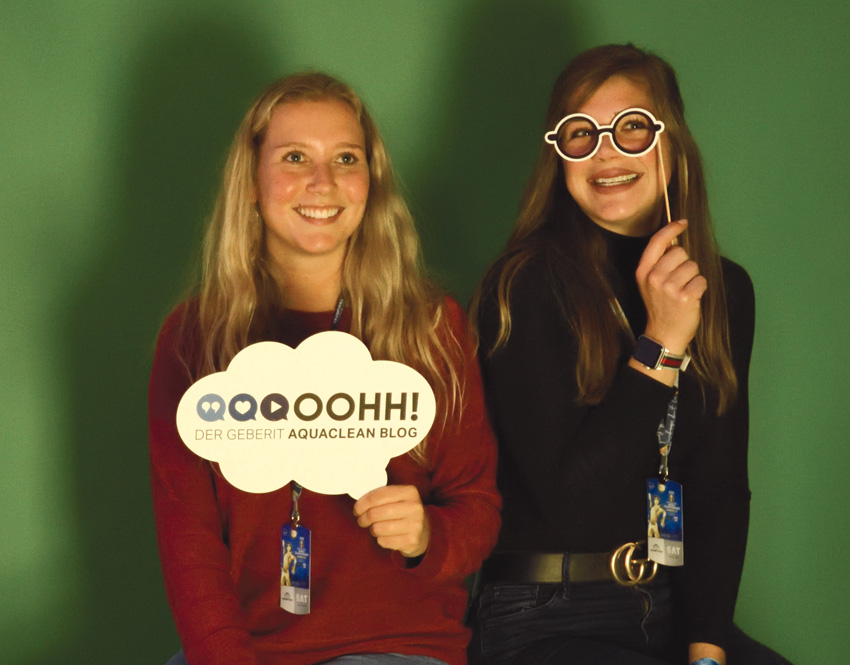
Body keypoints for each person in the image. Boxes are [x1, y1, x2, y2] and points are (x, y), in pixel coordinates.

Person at [148, 72, 501, 665]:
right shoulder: (192, 339)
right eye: (294, 157)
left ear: (371, 182)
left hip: (396, 649)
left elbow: (478, 507)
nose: (323, 182)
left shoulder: (432, 325)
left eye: (345, 158)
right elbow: (191, 550)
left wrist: (426, 537)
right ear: (253, 183)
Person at [470, 45, 790, 664]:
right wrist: (662, 344)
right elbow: (568, 504)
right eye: (580, 134)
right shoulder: (525, 284)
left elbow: (720, 490)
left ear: (672, 144)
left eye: (632, 128)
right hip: (543, 612)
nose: (606, 154)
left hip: (668, 608)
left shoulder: (722, 291)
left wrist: (707, 648)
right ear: (557, 155)